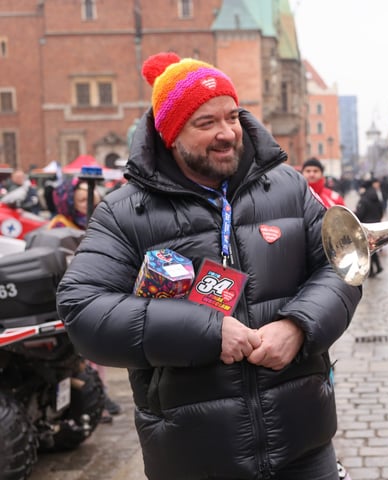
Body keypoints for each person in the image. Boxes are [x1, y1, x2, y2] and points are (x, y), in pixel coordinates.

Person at [56, 52, 362, 480]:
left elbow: (342, 265)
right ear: (170, 135)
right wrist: (206, 331)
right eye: (205, 123)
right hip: (191, 458)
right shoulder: (125, 213)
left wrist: (298, 325)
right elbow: (82, 309)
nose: (226, 134)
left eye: (232, 117)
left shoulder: (289, 187)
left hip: (303, 444)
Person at [46, 178, 124, 421]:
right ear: (69, 201)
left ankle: (100, 395)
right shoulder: (60, 226)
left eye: (91, 199)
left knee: (98, 356)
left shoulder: (96, 220)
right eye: (81, 200)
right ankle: (94, 402)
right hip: (75, 299)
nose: (87, 204)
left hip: (100, 293)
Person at [354, 178, 385, 278]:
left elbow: (360, 214)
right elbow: (381, 210)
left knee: (367, 249)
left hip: (366, 227)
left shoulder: (364, 199)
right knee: (372, 247)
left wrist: (354, 213)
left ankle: (371, 270)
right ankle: (378, 267)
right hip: (376, 224)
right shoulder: (376, 197)